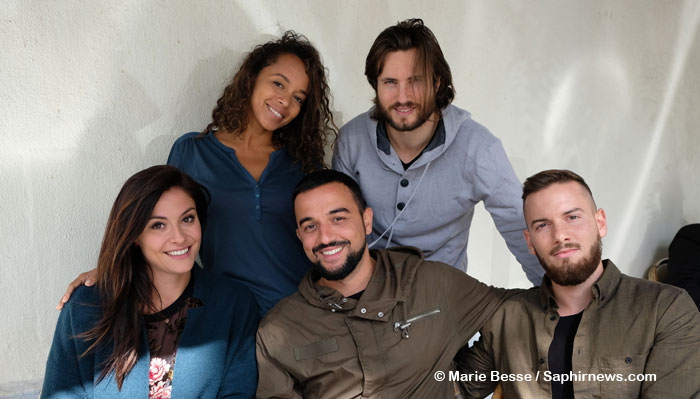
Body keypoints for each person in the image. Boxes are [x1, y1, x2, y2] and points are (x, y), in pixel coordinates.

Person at [58, 31, 336, 315]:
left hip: (302, 315)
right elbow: (154, 223)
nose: (285, 102)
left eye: (298, 98)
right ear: (252, 77)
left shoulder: (302, 164)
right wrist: (110, 269)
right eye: (278, 84)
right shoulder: (193, 152)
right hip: (227, 316)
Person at [255, 169, 517, 398]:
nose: (325, 237)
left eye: (338, 218)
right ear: (300, 236)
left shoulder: (433, 283)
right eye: (311, 226)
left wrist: (463, 387)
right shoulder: (280, 328)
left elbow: (516, 309)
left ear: (366, 220)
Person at [333, 18, 543, 285]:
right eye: (390, 82)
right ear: (375, 85)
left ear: (437, 83)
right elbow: (338, 229)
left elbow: (520, 228)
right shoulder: (352, 139)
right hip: (367, 293)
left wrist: (557, 303)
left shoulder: (478, 148)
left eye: (415, 81)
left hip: (441, 299)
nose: (403, 96)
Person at [456, 169, 700, 398]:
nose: (560, 235)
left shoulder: (667, 309)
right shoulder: (507, 316)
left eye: (572, 217)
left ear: (600, 223)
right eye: (543, 225)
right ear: (530, 242)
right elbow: (453, 388)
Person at [42, 165, 258, 398]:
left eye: (187, 219)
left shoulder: (233, 304)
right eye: (158, 225)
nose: (179, 237)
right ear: (134, 235)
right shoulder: (86, 306)